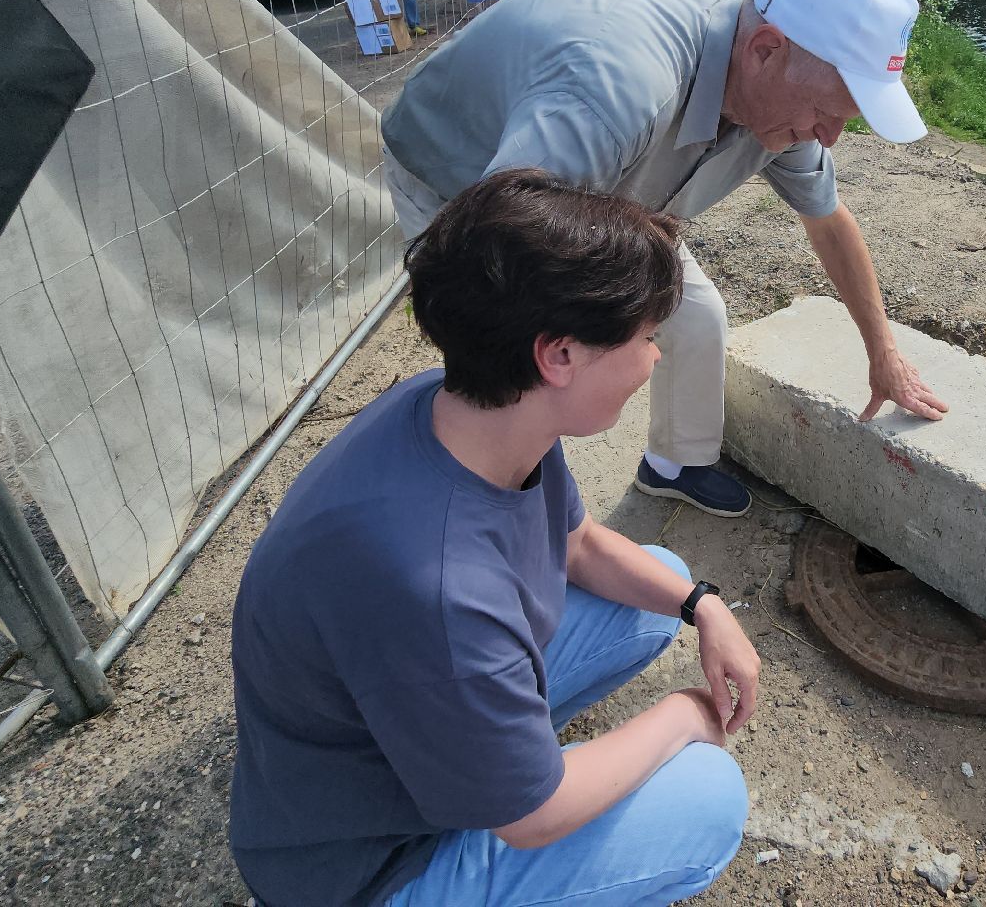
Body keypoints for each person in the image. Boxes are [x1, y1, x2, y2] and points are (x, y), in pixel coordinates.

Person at [228, 170, 757, 907]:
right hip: (367, 869)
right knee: (708, 796)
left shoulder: (477, 411)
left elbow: (577, 546)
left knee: (656, 583)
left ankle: (500, 750)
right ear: (560, 356)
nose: (655, 358)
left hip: (392, 743)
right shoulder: (439, 588)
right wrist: (683, 717)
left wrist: (704, 604)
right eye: (644, 338)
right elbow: (533, 820)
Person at [379, 0, 951, 520]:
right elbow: (498, 247)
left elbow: (829, 222)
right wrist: (598, 347)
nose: (828, 137)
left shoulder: (779, 104)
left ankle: (675, 465)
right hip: (462, 174)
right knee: (526, 367)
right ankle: (503, 518)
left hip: (594, 177)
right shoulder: (619, 91)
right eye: (827, 114)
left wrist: (885, 354)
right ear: (764, 50)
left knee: (695, 315)